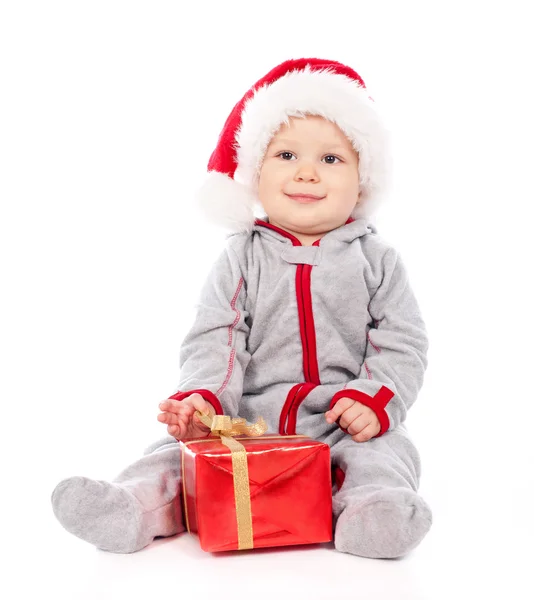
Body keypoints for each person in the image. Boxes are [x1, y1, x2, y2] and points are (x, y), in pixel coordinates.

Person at [51, 57, 432, 559]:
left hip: (343, 422)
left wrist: (373, 399)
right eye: (286, 154)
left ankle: (371, 515)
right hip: (250, 421)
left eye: (332, 160)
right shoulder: (242, 257)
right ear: (255, 173)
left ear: (363, 182)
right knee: (174, 460)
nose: (306, 173)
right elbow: (217, 334)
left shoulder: (376, 260)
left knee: (382, 457)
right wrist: (205, 399)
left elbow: (402, 340)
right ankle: (132, 507)